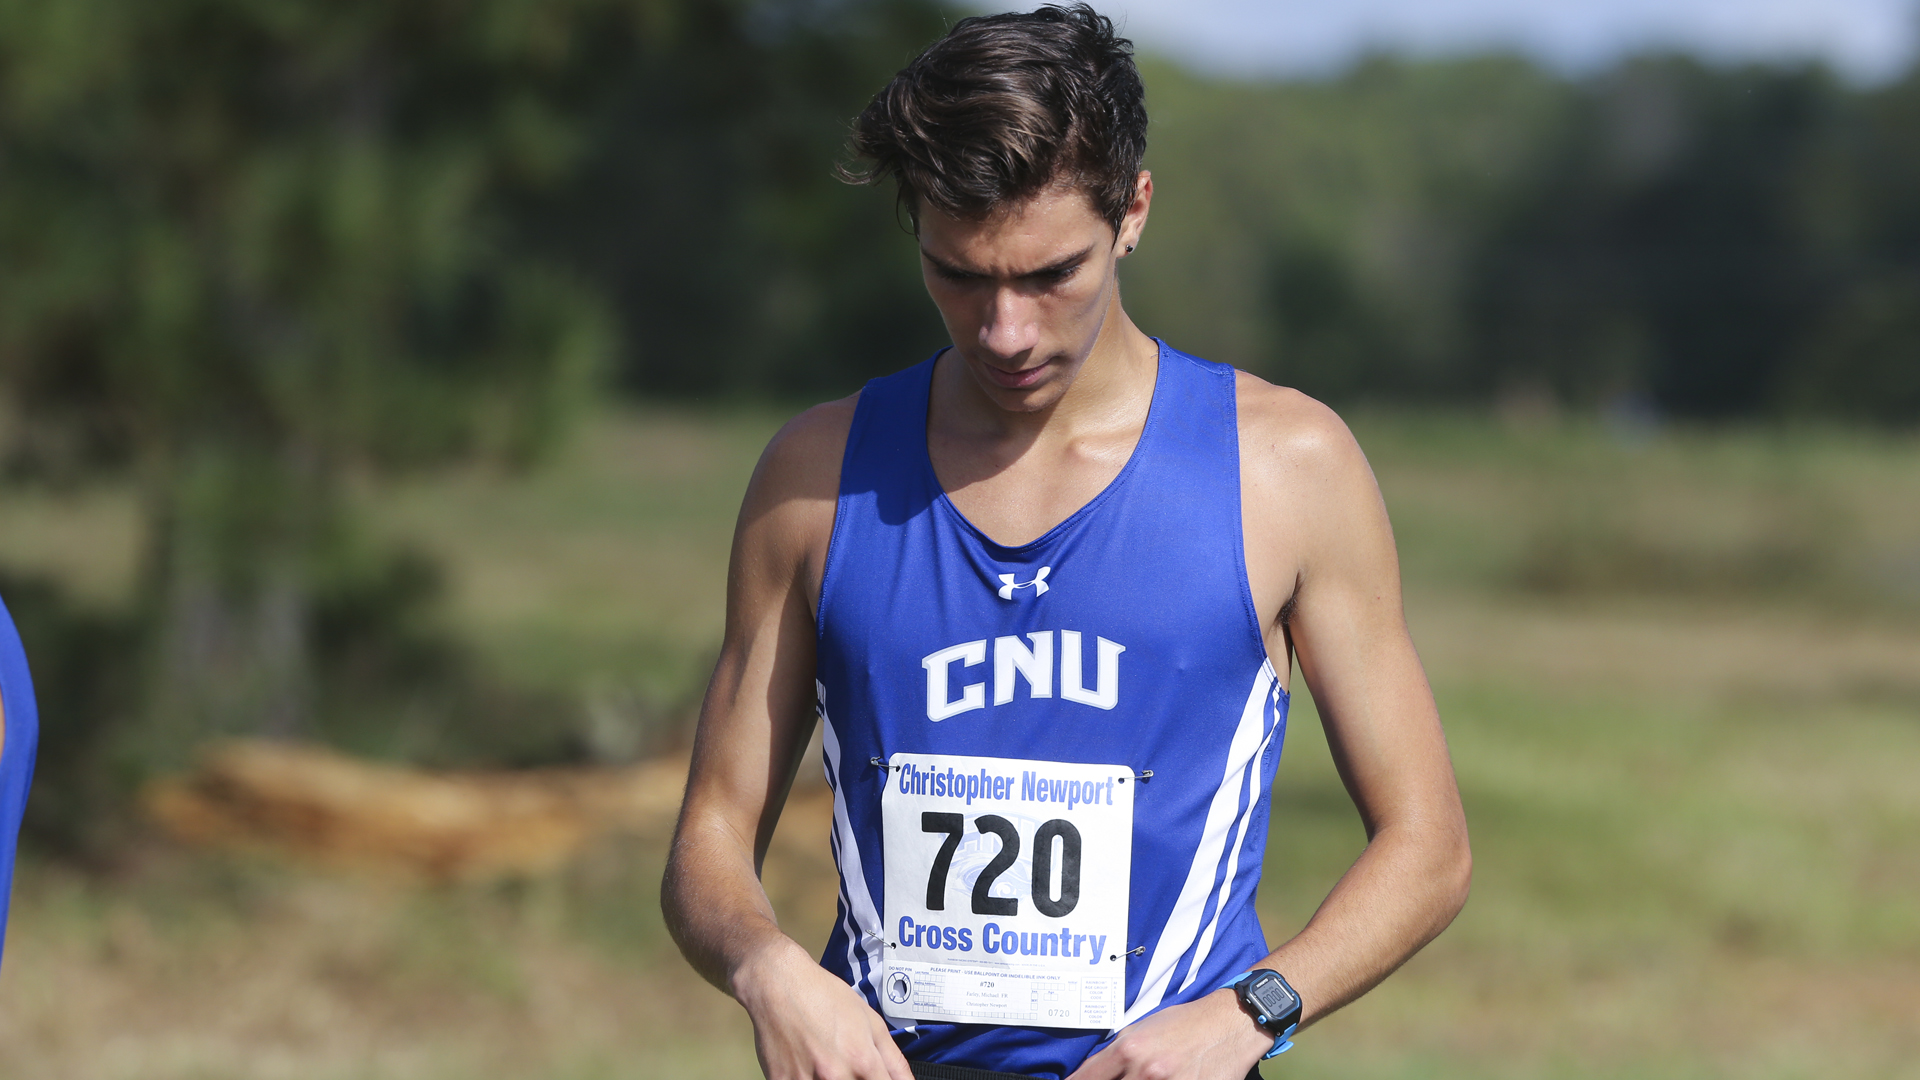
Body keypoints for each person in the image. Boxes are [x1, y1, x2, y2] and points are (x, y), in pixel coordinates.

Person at [661, 6, 1470, 1079]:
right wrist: (764, 965)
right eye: (959, 275)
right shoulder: (814, 477)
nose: (1006, 332)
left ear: (1133, 211)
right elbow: (712, 832)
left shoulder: (1286, 468)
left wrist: (1250, 1013)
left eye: (1050, 276)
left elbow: (1429, 848)